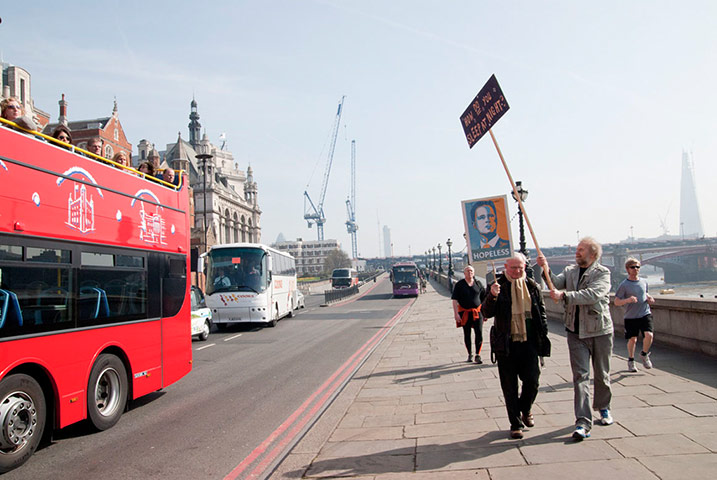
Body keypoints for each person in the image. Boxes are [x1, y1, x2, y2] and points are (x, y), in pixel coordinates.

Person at [537, 237, 614, 441]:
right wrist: (546, 269)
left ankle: (603, 407)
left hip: (600, 331)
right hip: (575, 331)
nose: (577, 252)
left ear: (592, 254)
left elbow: (593, 295)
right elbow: (556, 283)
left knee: (601, 375)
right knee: (580, 377)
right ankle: (583, 422)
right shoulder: (570, 271)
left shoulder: (603, 273)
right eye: (577, 249)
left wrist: (565, 297)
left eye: (581, 250)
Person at [482, 252, 549, 439]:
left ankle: (525, 408)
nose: (518, 271)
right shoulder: (497, 286)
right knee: (509, 386)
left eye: (521, 267)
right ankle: (515, 423)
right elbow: (486, 312)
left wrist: (544, 335)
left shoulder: (532, 286)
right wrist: (492, 296)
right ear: (505, 268)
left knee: (533, 382)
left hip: (529, 343)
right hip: (506, 344)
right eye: (514, 268)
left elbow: (541, 312)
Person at [614, 257, 655, 372]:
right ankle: (631, 360)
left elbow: (645, 293)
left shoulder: (644, 282)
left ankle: (644, 354)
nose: (636, 269)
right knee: (633, 340)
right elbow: (616, 302)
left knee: (649, 335)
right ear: (628, 269)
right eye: (633, 267)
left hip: (645, 313)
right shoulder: (624, 285)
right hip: (631, 316)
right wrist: (628, 300)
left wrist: (649, 297)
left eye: (638, 267)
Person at [451, 265, 486, 364]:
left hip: (477, 312)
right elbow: (454, 300)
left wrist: (485, 313)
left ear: (474, 273)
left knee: (479, 333)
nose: (470, 273)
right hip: (464, 313)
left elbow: (484, 298)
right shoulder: (460, 284)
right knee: (467, 333)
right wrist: (456, 314)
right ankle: (469, 354)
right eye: (467, 271)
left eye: (471, 271)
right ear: (464, 273)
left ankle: (477, 355)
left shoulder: (478, 284)